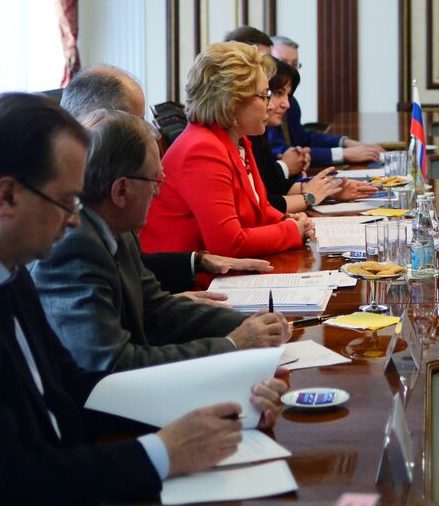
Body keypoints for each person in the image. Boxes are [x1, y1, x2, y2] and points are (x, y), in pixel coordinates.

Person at [0, 93, 285, 503]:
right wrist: (163, 452)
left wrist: (221, 403)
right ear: (7, 197)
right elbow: (4, 485)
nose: (75, 222)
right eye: (68, 202)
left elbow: (72, 386)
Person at [32, 109, 290, 372]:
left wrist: (248, 324)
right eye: (156, 180)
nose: (158, 192)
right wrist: (233, 344)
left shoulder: (118, 227)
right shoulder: (75, 248)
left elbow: (156, 308)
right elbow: (114, 364)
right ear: (121, 190)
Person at [60, 64, 272, 294]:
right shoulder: (68, 224)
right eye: (135, 120)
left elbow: (136, 275)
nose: (144, 131)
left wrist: (196, 261)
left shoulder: (109, 192)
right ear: (93, 120)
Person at [142, 42, 310, 265]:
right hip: (194, 282)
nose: (269, 105)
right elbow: (229, 244)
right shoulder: (201, 150)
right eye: (263, 96)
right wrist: (291, 231)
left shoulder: (238, 140)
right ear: (231, 103)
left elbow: (259, 209)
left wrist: (287, 220)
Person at [260, 58, 376, 212]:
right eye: (276, 93)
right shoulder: (250, 133)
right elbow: (261, 202)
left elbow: (275, 184)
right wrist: (309, 197)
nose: (285, 103)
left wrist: (331, 190)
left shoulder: (262, 129)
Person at [263, 33, 385, 166]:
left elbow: (303, 138)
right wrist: (345, 154)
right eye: (282, 62)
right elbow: (281, 152)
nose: (290, 69)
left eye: (294, 64)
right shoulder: (263, 107)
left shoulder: (291, 102)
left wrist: (345, 143)